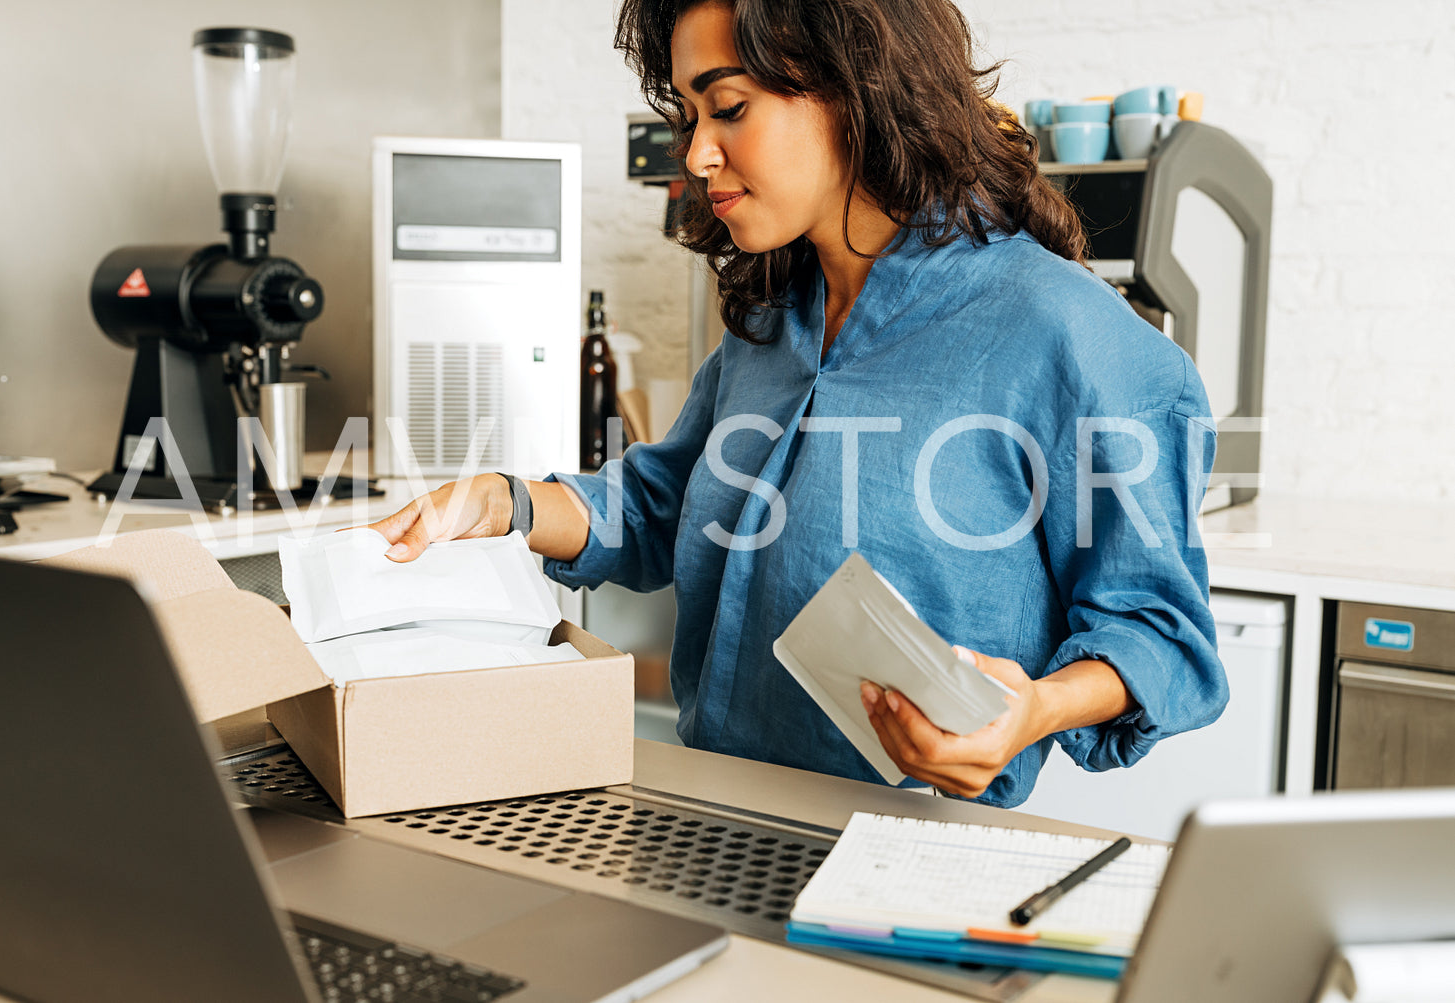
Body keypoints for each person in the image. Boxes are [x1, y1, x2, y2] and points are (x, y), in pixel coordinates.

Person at [367, 0, 1227, 807]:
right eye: (689, 117)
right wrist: (503, 503)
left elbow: (1160, 634)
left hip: (916, 858)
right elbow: (662, 508)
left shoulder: (1067, 334)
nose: (698, 153)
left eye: (728, 108)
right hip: (721, 828)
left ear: (852, 90)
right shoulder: (773, 320)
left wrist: (1031, 711)